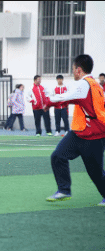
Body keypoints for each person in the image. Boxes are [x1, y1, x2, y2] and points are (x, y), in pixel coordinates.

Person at [44, 54, 105, 205]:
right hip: (79, 132)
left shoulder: (85, 84)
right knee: (58, 156)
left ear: (78, 70)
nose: (72, 72)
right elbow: (74, 99)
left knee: (96, 173)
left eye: (73, 69)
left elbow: (66, 97)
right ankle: (64, 190)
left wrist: (48, 101)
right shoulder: (95, 85)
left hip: (93, 136)